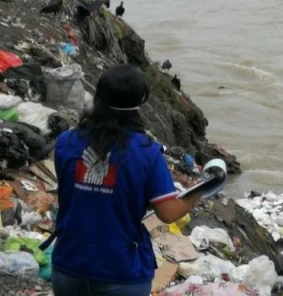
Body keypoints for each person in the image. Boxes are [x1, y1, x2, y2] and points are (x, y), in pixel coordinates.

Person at [45, 64, 201, 296]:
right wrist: (197, 193)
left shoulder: (66, 142)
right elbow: (168, 213)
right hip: (120, 270)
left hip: (69, 265)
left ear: (98, 96)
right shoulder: (147, 152)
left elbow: (74, 193)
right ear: (139, 102)